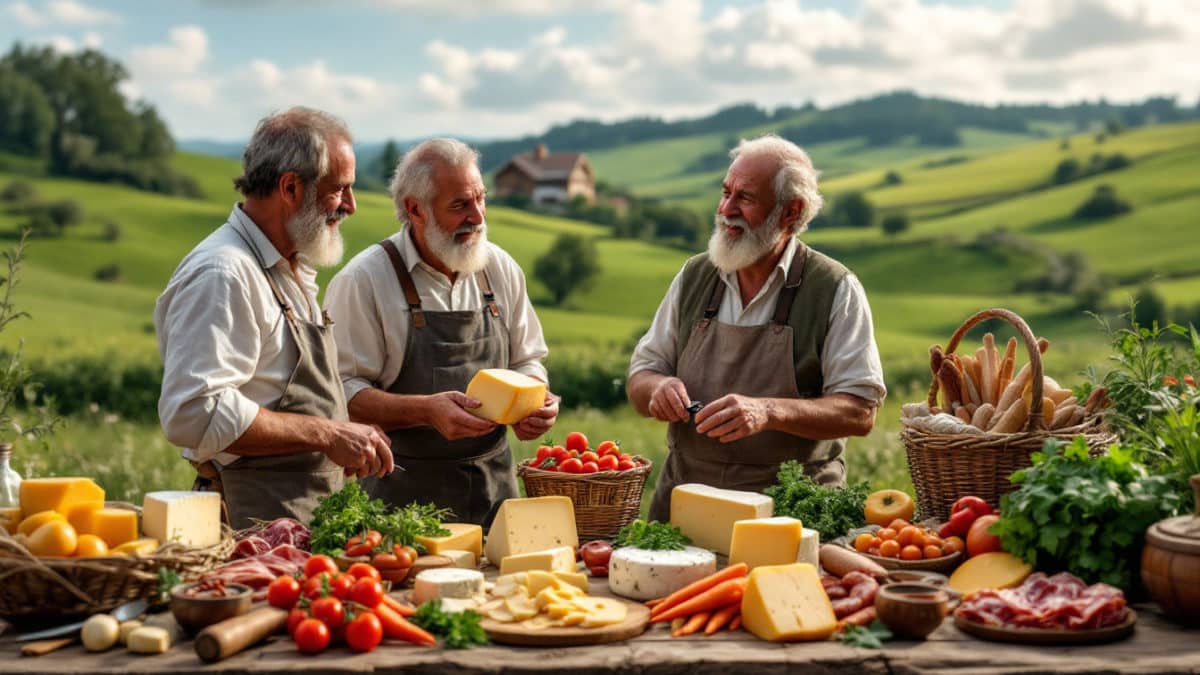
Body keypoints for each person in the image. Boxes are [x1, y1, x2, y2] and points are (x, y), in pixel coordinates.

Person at [156, 107, 394, 529]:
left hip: (303, 525)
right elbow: (192, 413)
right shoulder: (224, 273)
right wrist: (328, 434)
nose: (352, 206)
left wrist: (345, 433)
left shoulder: (289, 268)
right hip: (253, 528)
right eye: (340, 190)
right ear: (290, 188)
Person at [627, 134, 886, 522]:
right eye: (725, 192)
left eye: (745, 198)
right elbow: (640, 379)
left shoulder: (833, 287)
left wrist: (769, 411)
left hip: (791, 512)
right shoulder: (695, 275)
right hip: (686, 505)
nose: (725, 209)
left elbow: (859, 413)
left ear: (790, 213)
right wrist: (657, 388)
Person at [325, 138, 558, 527]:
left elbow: (528, 358)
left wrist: (535, 398)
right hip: (399, 506)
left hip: (495, 496)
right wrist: (425, 411)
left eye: (480, 199)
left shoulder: (499, 268)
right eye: (460, 205)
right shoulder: (364, 281)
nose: (478, 216)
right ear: (415, 209)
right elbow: (339, 396)